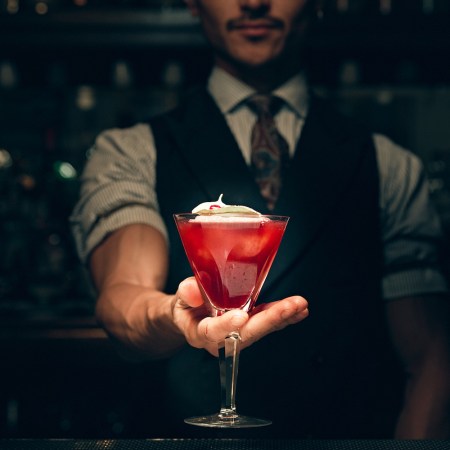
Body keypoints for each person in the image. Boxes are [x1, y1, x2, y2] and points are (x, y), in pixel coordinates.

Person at [70, 0, 450, 439]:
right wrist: (173, 315)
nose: (253, 2)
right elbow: (123, 296)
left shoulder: (390, 165)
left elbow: (432, 357)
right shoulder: (130, 152)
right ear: (193, 4)